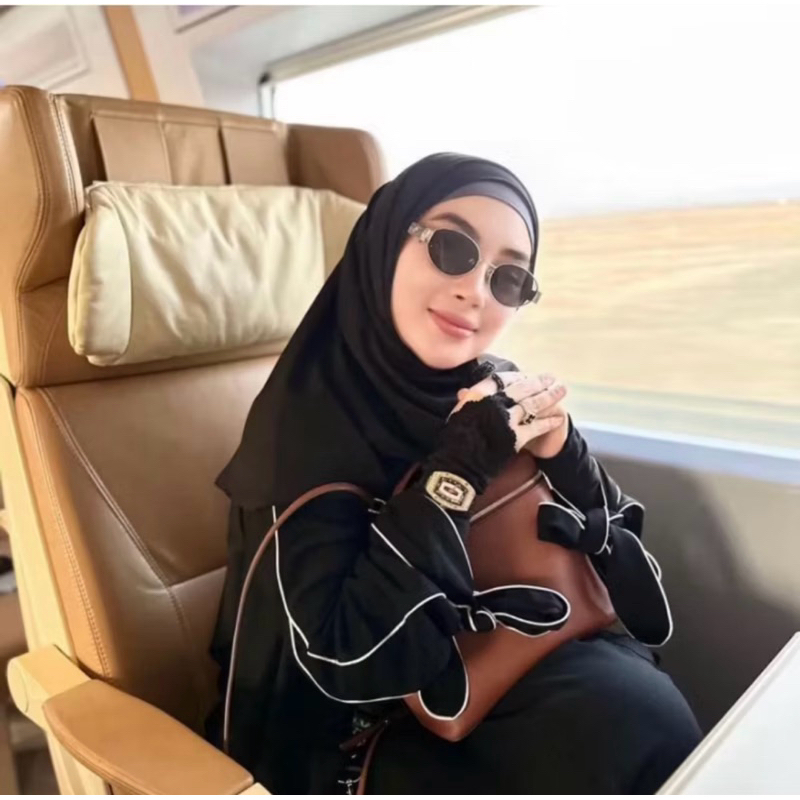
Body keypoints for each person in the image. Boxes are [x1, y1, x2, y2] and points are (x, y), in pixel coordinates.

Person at [206, 153, 701, 794]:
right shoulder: (303, 433)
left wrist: (565, 455)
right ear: (386, 243)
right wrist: (460, 468)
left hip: (489, 665)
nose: (476, 292)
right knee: (614, 734)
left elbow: (627, 585)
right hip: (345, 731)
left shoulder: (488, 385)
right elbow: (345, 658)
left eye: (510, 278)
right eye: (451, 248)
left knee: (637, 715)